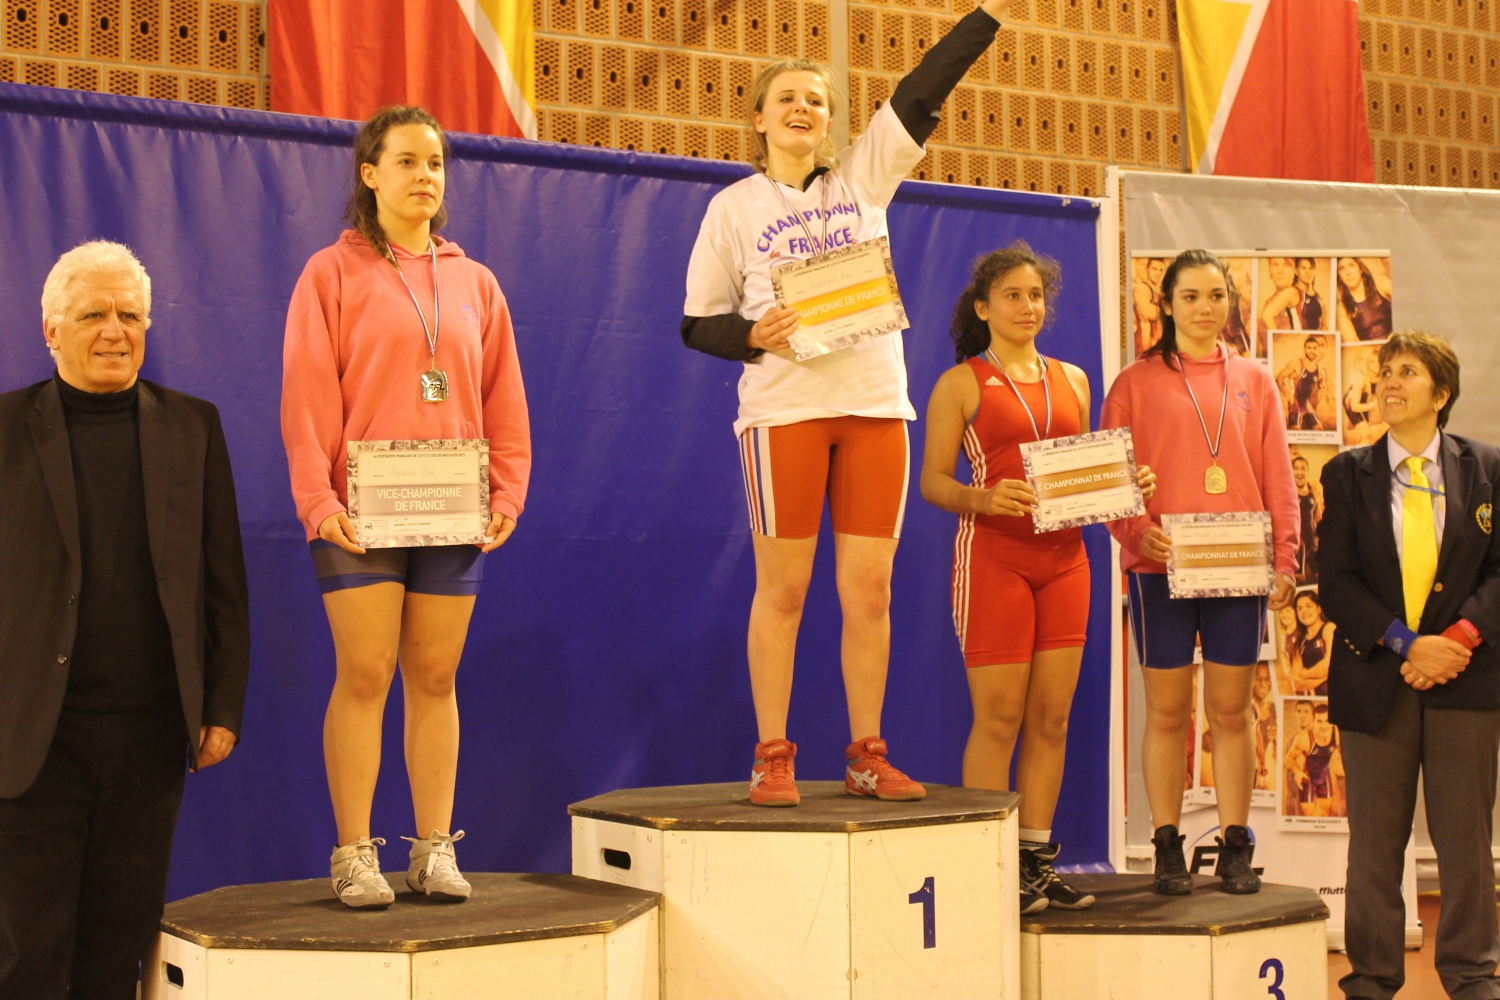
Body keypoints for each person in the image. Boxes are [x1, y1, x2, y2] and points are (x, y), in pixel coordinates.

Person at [681, 0, 1016, 807]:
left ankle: (867, 753)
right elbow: (697, 323)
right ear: (759, 118)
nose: (802, 109)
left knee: (870, 592)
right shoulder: (734, 209)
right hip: (784, 415)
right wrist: (755, 334)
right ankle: (772, 754)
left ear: (831, 121)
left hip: (873, 408)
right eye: (787, 98)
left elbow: (923, 90)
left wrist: (984, 18)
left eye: (817, 100)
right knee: (784, 592)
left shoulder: (863, 180)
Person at [281, 106, 531, 907]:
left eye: (436, 163)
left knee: (435, 673)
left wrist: (508, 489)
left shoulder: (475, 282)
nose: (426, 176)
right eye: (407, 161)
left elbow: (503, 396)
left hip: (452, 506)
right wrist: (317, 499)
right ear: (370, 174)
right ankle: (355, 853)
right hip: (359, 510)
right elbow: (306, 395)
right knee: (366, 672)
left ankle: (433, 849)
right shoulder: (331, 273)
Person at [0, 242, 250, 997]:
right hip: (31, 739)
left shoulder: (193, 427)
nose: (115, 331)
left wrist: (221, 705)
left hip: (150, 735)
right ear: (51, 331)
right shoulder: (4, 430)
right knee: (28, 958)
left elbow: (221, 578)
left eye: (131, 315)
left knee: (118, 950)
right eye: (93, 316)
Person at [919, 242, 1155, 913]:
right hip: (994, 557)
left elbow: (1088, 473)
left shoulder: (1074, 379)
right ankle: (984, 867)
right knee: (999, 718)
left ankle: (1032, 865)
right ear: (983, 308)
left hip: (1067, 561)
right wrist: (981, 497)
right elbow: (932, 481)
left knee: (1051, 719)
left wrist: (1127, 482)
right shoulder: (961, 383)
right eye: (1013, 296)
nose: (1028, 307)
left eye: (1036, 296)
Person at [1102, 249, 1298, 896]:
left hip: (1238, 566)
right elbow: (1112, 480)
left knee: (1231, 711)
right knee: (1167, 711)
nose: (1204, 308)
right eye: (1189, 296)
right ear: (1166, 304)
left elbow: (1278, 477)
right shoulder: (1133, 383)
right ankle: (1166, 844)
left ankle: (1235, 845)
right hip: (1159, 567)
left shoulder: (1256, 379)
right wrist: (1137, 531)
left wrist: (1286, 558)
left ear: (1230, 302)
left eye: (1216, 296)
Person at [1320, 331, 1500, 1000]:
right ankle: (1372, 977)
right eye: (1385, 371)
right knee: (1374, 845)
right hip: (1377, 679)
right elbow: (1336, 582)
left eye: (1407, 372)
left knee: (1466, 843)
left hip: (1465, 678)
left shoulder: (1487, 468)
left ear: (1441, 393)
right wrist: (1406, 644)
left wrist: (1456, 639)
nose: (1390, 383)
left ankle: (1472, 974)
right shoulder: (1347, 473)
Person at [1285, 703, 1343, 817]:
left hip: (1325, 776)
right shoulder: (1304, 738)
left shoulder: (1337, 735)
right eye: (1319, 721)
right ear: (1313, 721)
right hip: (1308, 778)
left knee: (1324, 812)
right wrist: (1297, 772)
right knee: (1309, 814)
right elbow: (1288, 759)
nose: (1323, 726)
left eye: (1327, 721)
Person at [1277, 335, 1332, 431]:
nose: (1311, 351)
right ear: (1304, 349)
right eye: (1309, 348)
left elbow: (1323, 387)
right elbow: (1279, 377)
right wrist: (1286, 393)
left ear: (1318, 350)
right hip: (1294, 405)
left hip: (1307, 406)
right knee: (1295, 430)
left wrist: (1324, 391)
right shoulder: (1297, 363)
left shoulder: (1320, 370)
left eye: (1314, 348)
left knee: (1319, 429)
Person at [1335, 256, 1393, 343]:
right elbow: (1353, 342)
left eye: (1351, 265)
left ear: (1361, 269)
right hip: (1370, 350)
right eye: (1342, 269)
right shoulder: (1342, 308)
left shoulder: (1381, 285)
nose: (1348, 272)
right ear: (1339, 277)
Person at [1289, 591, 1334, 695]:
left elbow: (1330, 665)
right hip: (1315, 699)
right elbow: (1296, 683)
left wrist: (1305, 674)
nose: (1304, 611)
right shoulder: (1300, 639)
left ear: (1319, 608)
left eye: (1308, 606)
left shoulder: (1329, 628)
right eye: (1300, 608)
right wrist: (1324, 678)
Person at [1343, 348, 1386, 446]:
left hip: (1364, 401)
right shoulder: (1360, 378)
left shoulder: (1383, 377)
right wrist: (1370, 406)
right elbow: (1354, 406)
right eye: (1372, 362)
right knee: (1366, 433)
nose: (1376, 365)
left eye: (1379, 361)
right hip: (1351, 403)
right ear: (1367, 364)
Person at [1292, 454, 1324, 584]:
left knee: (1321, 579)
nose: (1299, 472)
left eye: (1303, 468)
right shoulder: (1288, 494)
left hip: (1313, 545)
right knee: (1300, 581)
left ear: (1308, 472)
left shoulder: (1313, 493)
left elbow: (1319, 519)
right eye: (1296, 468)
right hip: (1298, 547)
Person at [1259, 256, 1303, 333]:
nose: (1280, 271)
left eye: (1286, 265)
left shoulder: (1293, 292)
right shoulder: (1268, 302)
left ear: (1295, 270)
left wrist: (1276, 339)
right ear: (1269, 269)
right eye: (1275, 264)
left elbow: (1267, 315)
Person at [1251, 663, 1277, 791]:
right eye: (1258, 679)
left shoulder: (1275, 709)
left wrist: (1277, 739)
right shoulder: (1244, 707)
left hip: (1262, 771)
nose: (1263, 684)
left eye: (1267, 679)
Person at [1133, 257, 1166, 355]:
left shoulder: (1160, 294)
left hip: (1156, 347)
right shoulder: (1142, 288)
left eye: (1161, 270)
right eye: (1154, 269)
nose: (1158, 273)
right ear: (1147, 269)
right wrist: (1171, 310)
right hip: (1143, 347)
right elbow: (1147, 312)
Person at [1295, 258, 1324, 332]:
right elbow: (1268, 314)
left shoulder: (1319, 296)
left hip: (1315, 336)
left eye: (1311, 268)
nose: (1307, 272)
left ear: (1314, 271)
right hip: (1299, 337)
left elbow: (1324, 324)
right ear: (1296, 271)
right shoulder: (1292, 292)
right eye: (1303, 268)